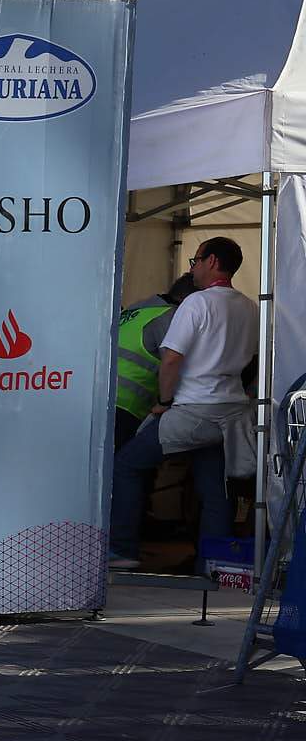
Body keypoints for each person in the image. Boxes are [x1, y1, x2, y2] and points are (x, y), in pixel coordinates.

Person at [109, 237, 259, 571]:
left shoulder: (195, 304)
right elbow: (254, 360)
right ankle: (213, 563)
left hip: (193, 409)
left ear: (212, 261)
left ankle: (123, 550)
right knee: (215, 490)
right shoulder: (250, 307)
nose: (191, 267)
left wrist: (163, 402)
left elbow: (172, 358)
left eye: (196, 260)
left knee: (127, 465)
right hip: (231, 412)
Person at [114, 273, 200, 450]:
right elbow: (175, 364)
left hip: (104, 398)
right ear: (189, 300)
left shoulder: (137, 308)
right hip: (128, 406)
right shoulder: (171, 317)